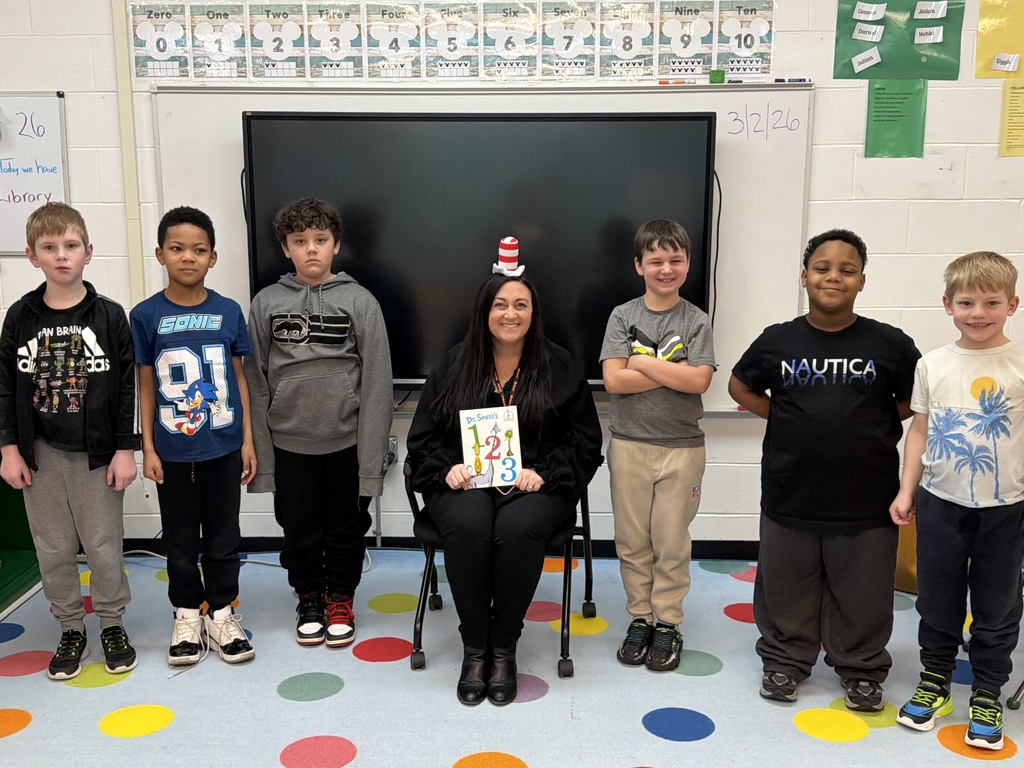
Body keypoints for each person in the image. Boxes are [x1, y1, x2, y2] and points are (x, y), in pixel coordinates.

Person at [729, 228, 920, 710]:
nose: (834, 276)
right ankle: (784, 661)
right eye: (822, 268)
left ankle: (861, 668)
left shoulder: (890, 343)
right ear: (804, 276)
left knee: (863, 590)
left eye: (847, 270)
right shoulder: (778, 340)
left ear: (862, 281)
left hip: (867, 496)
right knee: (786, 586)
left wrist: (872, 420)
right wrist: (785, 416)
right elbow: (739, 386)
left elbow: (916, 399)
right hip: (790, 491)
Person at [406, 237, 602, 706]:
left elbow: (586, 442)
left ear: (534, 311)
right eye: (500, 304)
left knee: (517, 527)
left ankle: (504, 646)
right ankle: (475, 648)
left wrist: (545, 473)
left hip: (537, 483)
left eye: (520, 304)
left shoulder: (559, 365)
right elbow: (423, 437)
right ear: (484, 310)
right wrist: (448, 469)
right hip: (464, 482)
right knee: (470, 521)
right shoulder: (455, 364)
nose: (510, 314)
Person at [890, 251, 1024, 751]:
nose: (978, 313)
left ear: (1013, 304)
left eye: (992, 302)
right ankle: (935, 679)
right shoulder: (933, 364)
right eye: (966, 302)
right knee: (937, 596)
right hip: (940, 502)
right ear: (947, 305)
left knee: (997, 602)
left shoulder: (1020, 363)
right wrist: (907, 490)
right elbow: (919, 432)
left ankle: (987, 691)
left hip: (1007, 508)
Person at [245, 198, 393, 649]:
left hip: (346, 444)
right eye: (300, 241)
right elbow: (255, 384)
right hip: (289, 446)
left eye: (320, 240)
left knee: (347, 529)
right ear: (285, 248)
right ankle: (309, 599)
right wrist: (264, 459)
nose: (311, 249)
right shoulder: (266, 303)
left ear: (336, 245)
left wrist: (371, 462)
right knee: (299, 531)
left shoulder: (360, 301)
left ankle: (341, 599)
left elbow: (377, 385)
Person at [0, 202, 140, 680]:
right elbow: (5, 387)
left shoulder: (109, 316)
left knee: (103, 545)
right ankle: (70, 628)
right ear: (32, 256)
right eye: (49, 247)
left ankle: (112, 623)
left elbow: (127, 388)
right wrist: (9, 449)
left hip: (97, 455)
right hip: (39, 453)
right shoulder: (20, 317)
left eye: (71, 245)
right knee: (53, 548)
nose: (62, 255)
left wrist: (125, 449)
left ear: (88, 252)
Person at [131, 206, 256, 666]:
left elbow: (239, 377)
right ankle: (186, 613)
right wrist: (147, 446)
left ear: (213, 257)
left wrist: (247, 440)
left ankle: (221, 611)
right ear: (160, 254)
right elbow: (146, 384)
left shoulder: (227, 311)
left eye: (199, 250)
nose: (188, 257)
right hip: (172, 447)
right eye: (178, 248)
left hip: (223, 445)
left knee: (224, 537)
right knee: (180, 540)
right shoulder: (145, 315)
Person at [599, 219, 717, 673]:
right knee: (632, 540)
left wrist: (642, 363)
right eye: (656, 261)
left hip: (682, 448)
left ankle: (667, 622)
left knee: (670, 541)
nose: (666, 269)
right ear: (639, 265)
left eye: (675, 260)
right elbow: (613, 381)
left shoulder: (696, 320)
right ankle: (640, 618)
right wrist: (673, 371)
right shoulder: (622, 316)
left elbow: (700, 380)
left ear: (687, 264)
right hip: (629, 445)